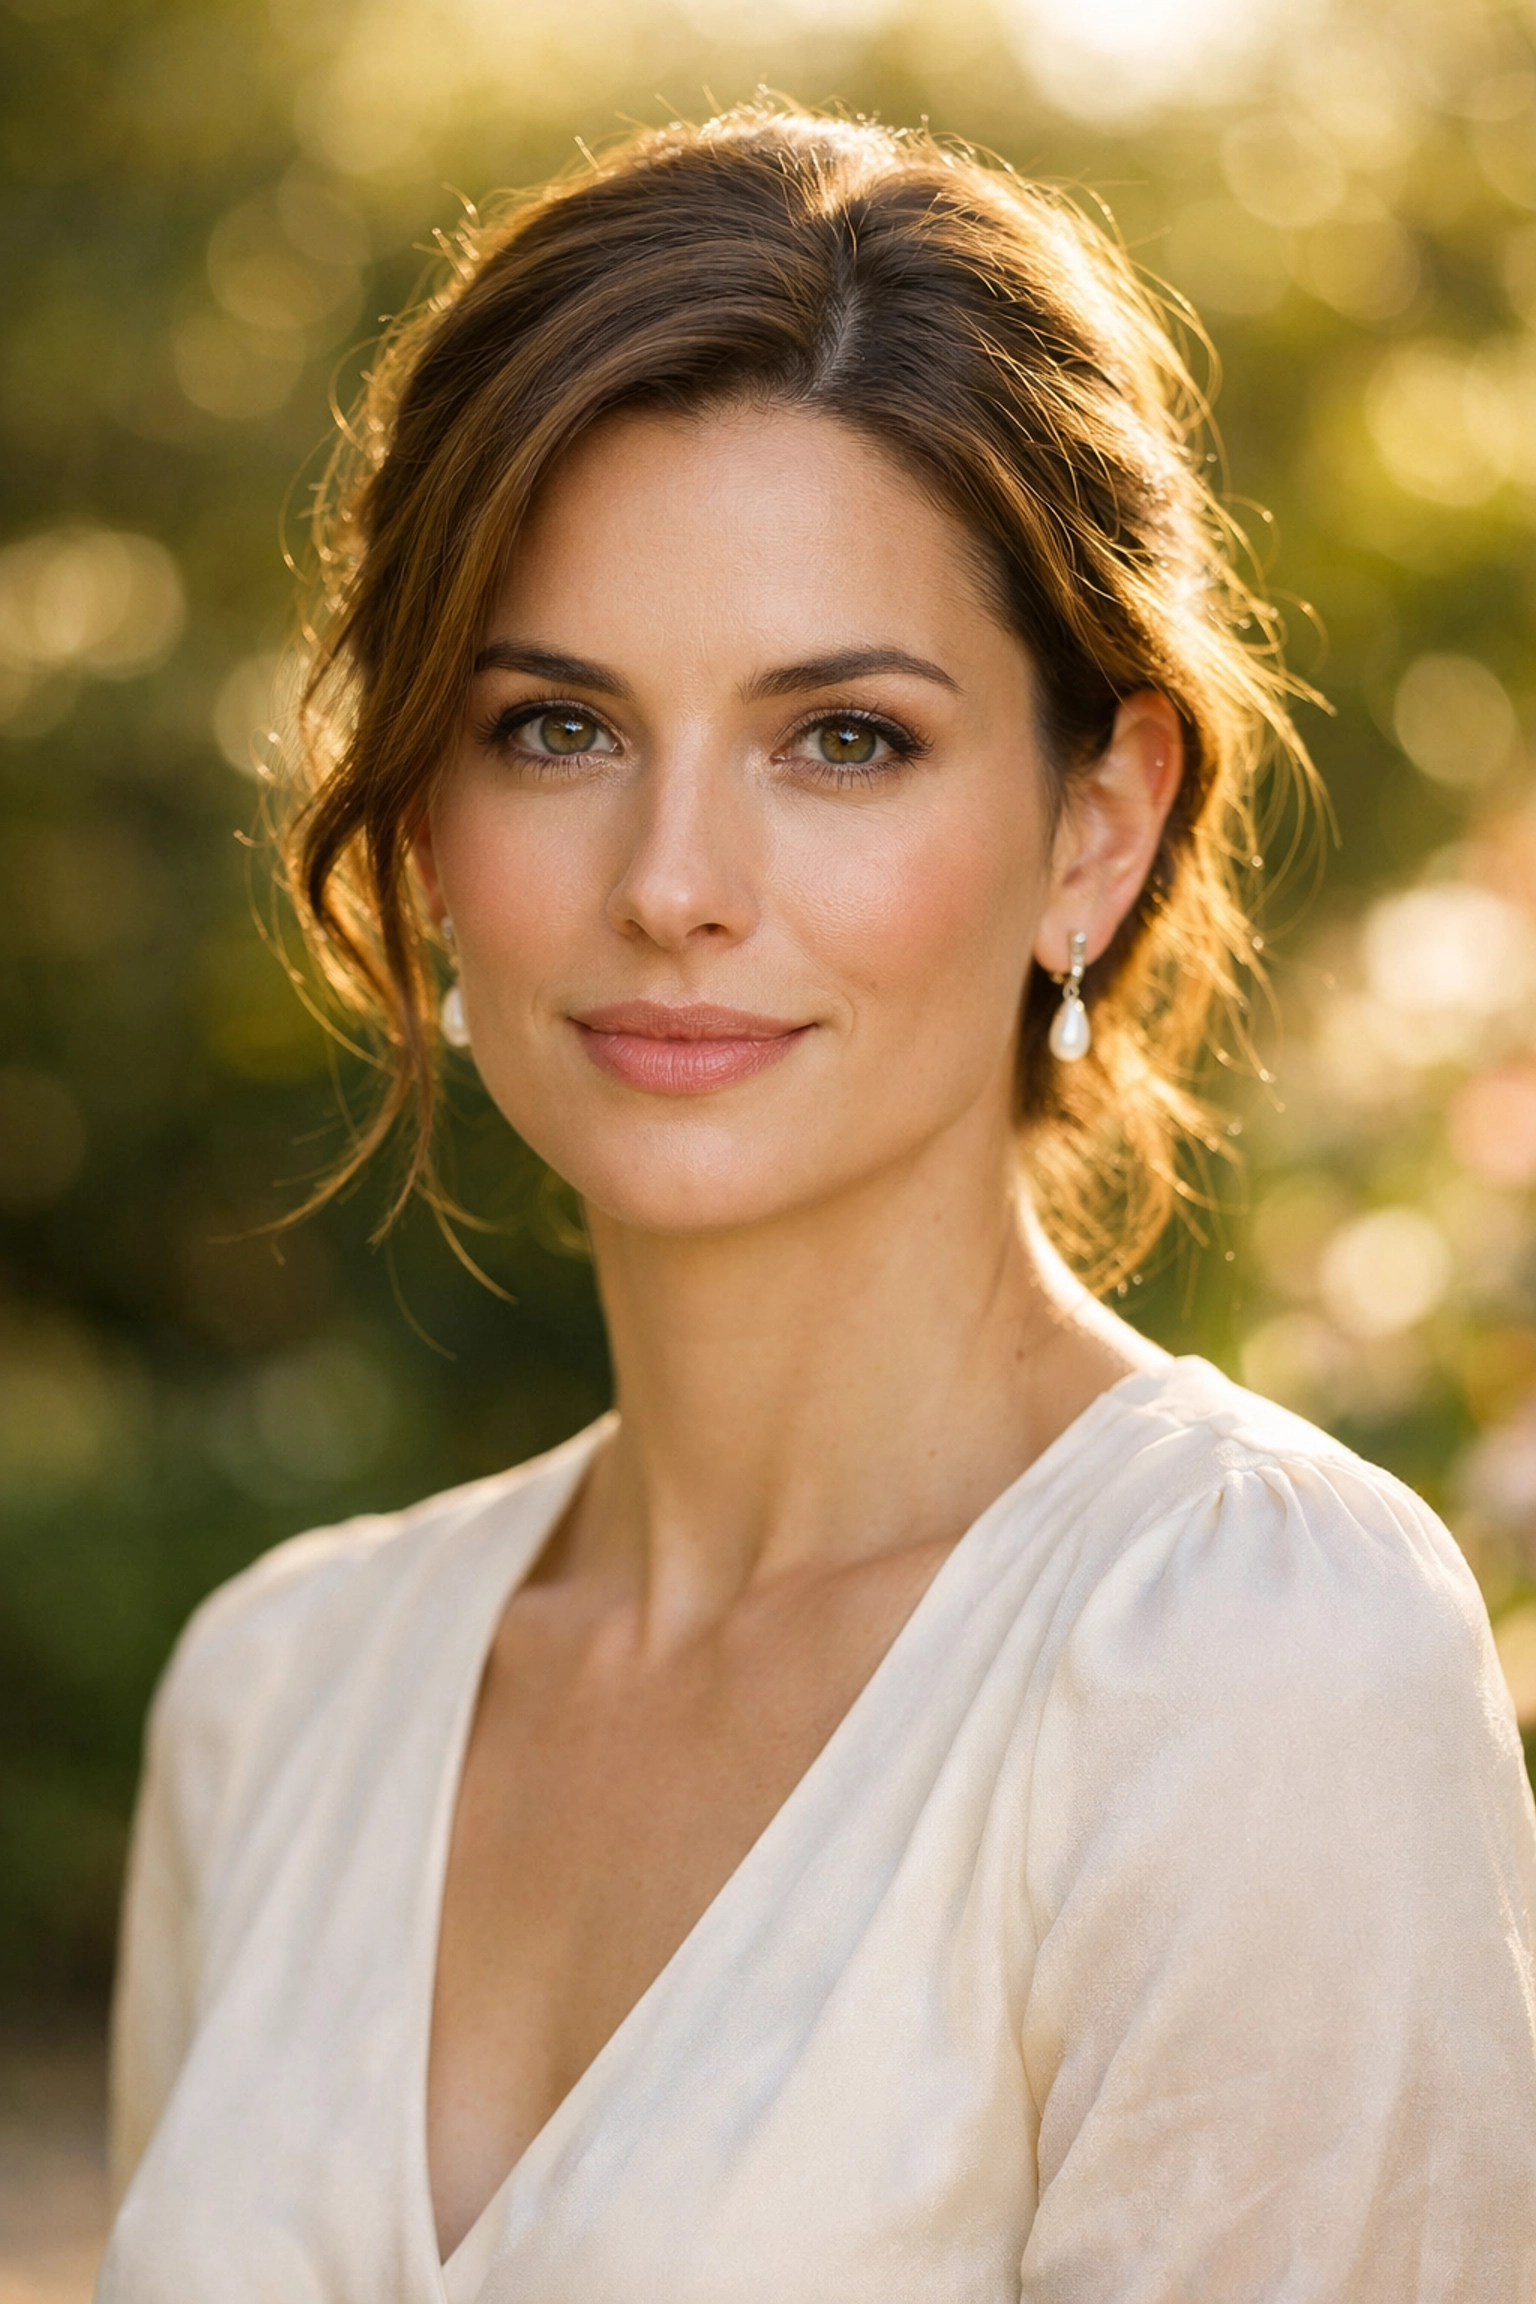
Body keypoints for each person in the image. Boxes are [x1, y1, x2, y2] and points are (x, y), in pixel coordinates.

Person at [97, 109, 1536, 2303]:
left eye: (842, 738)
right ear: (416, 816)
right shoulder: (276, 1696)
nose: (674, 886)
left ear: (1097, 825)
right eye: (555, 729)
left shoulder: (1249, 1664)